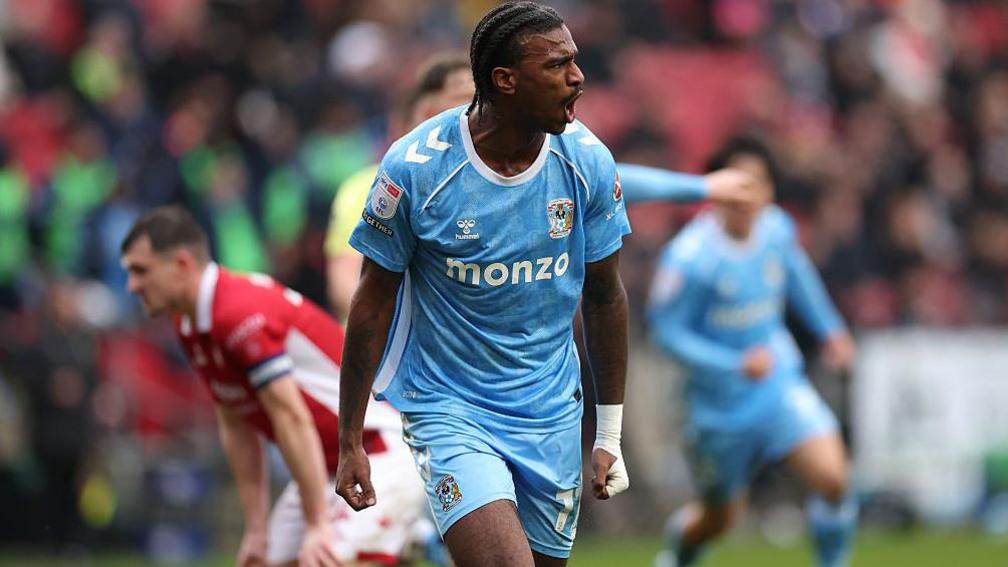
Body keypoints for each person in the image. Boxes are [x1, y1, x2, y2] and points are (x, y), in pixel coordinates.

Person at [334, 2, 631, 565]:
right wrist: (350, 438)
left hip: (550, 410)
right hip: (450, 407)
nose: (578, 77)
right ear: (505, 81)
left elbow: (604, 295)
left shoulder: (587, 160)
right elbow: (371, 300)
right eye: (558, 65)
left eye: (576, 61)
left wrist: (609, 433)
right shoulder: (416, 169)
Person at [119, 206, 426, 567]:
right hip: (326, 468)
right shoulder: (192, 326)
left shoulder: (237, 314)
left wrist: (316, 525)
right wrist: (256, 530)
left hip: (377, 452)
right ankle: (415, 540)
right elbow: (236, 425)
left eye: (141, 271)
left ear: (183, 264)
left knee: (324, 559)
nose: (132, 285)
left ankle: (415, 535)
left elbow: (291, 417)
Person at [646, 137, 858, 567]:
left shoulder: (776, 229)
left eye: (757, 183)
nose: (748, 194)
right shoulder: (691, 258)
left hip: (778, 386)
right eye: (737, 183)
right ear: (716, 190)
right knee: (720, 519)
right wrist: (733, 363)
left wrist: (831, 330)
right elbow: (666, 333)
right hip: (716, 407)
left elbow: (798, 277)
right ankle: (678, 554)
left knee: (833, 478)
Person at [325, 53, 474, 320]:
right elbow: (344, 282)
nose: (466, 121)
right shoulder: (369, 187)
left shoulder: (493, 188)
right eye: (451, 111)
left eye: (473, 107)